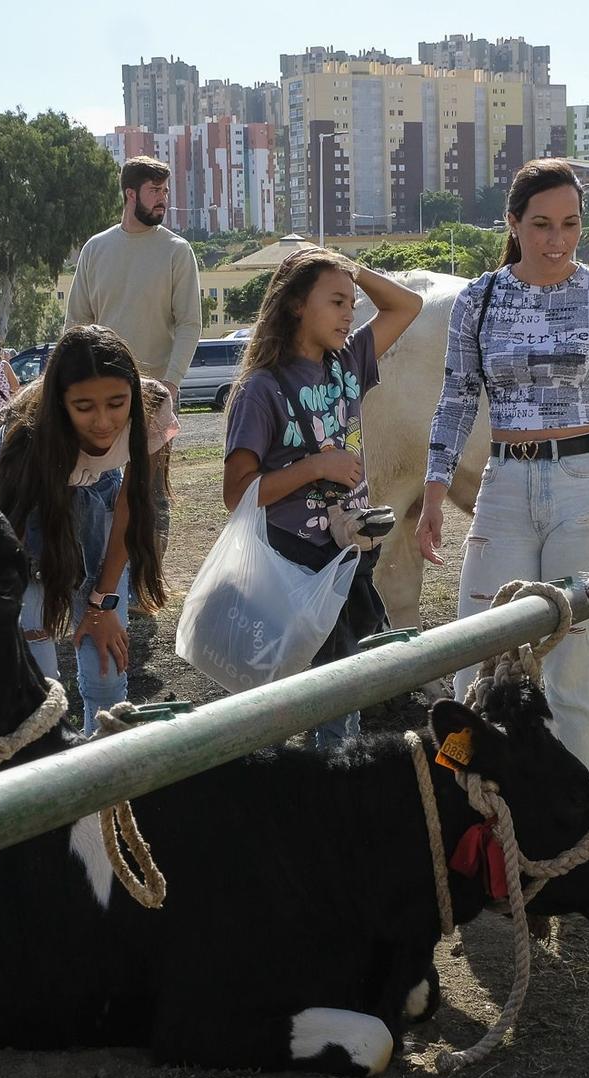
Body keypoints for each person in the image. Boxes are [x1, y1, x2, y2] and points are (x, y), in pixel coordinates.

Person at [421, 157, 589, 770]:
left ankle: (569, 832)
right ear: (513, 224)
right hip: (503, 482)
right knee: (475, 660)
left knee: (571, 675)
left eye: (569, 223)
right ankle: (475, 824)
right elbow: (456, 399)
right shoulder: (478, 301)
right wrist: (432, 493)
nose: (556, 240)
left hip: (586, 484)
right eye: (540, 225)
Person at [222, 248, 422, 748]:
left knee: (339, 709)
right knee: (277, 707)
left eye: (351, 303)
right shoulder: (261, 389)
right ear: (295, 305)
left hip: (345, 566)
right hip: (288, 571)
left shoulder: (347, 362)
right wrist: (315, 467)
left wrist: (352, 268)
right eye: (335, 301)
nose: (349, 313)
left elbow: (407, 306)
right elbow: (237, 494)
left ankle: (330, 795)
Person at [0, 325, 168, 719]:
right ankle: (49, 765)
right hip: (21, 507)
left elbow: (133, 503)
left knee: (107, 673)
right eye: (84, 407)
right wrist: (29, 609)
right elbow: (8, 544)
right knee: (35, 677)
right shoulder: (26, 438)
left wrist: (102, 602)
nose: (103, 422)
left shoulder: (154, 408)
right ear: (60, 404)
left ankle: (105, 768)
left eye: (116, 403)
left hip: (97, 492)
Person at [67, 155, 203, 558]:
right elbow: (77, 323)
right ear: (131, 194)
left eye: (165, 192)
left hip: (154, 395)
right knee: (90, 484)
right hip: (99, 396)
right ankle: (98, 575)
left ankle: (149, 580)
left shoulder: (178, 251)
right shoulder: (95, 249)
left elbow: (190, 323)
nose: (163, 201)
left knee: (152, 490)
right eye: (155, 191)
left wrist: (171, 383)